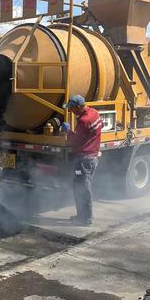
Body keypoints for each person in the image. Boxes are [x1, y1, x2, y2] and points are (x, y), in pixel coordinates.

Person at [61, 95, 102, 226]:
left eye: (72, 108)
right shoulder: (94, 113)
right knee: (81, 186)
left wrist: (68, 131)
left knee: (83, 188)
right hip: (91, 157)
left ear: (79, 107)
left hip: (84, 159)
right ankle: (82, 215)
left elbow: (75, 140)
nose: (71, 111)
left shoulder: (84, 121)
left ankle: (86, 218)